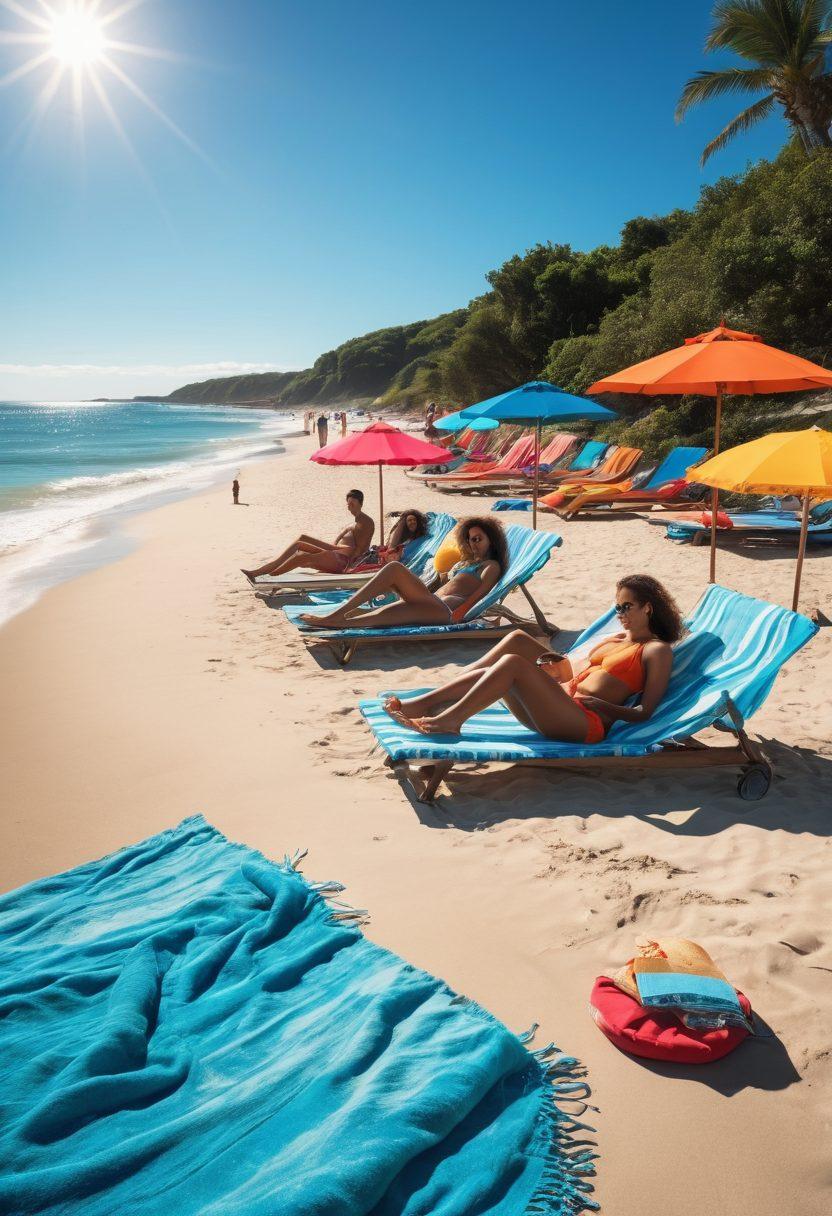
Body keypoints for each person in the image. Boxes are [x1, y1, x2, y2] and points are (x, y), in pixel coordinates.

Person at [383, 574, 681, 741]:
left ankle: (449, 721)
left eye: (627, 607)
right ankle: (421, 704)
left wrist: (603, 706)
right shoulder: (616, 638)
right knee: (506, 661)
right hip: (560, 707)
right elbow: (578, 672)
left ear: (648, 608)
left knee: (512, 663)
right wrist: (554, 669)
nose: (620, 614)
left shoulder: (656, 651)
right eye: (617, 607)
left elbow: (645, 712)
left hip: (585, 723)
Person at [298, 516, 507, 630]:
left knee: (394, 569)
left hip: (445, 612)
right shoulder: (469, 563)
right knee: (372, 619)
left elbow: (481, 594)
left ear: (491, 540)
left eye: (479, 538)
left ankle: (336, 614)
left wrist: (459, 615)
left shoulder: (491, 566)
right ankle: (337, 621)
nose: (474, 543)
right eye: (471, 539)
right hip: (432, 605)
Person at [241, 490, 374, 581]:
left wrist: (349, 568)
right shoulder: (356, 520)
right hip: (336, 551)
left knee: (301, 557)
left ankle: (270, 576)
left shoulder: (364, 521)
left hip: (342, 559)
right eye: (348, 503)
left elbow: (360, 550)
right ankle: (263, 570)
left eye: (353, 504)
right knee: (301, 540)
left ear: (360, 503)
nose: (349, 507)